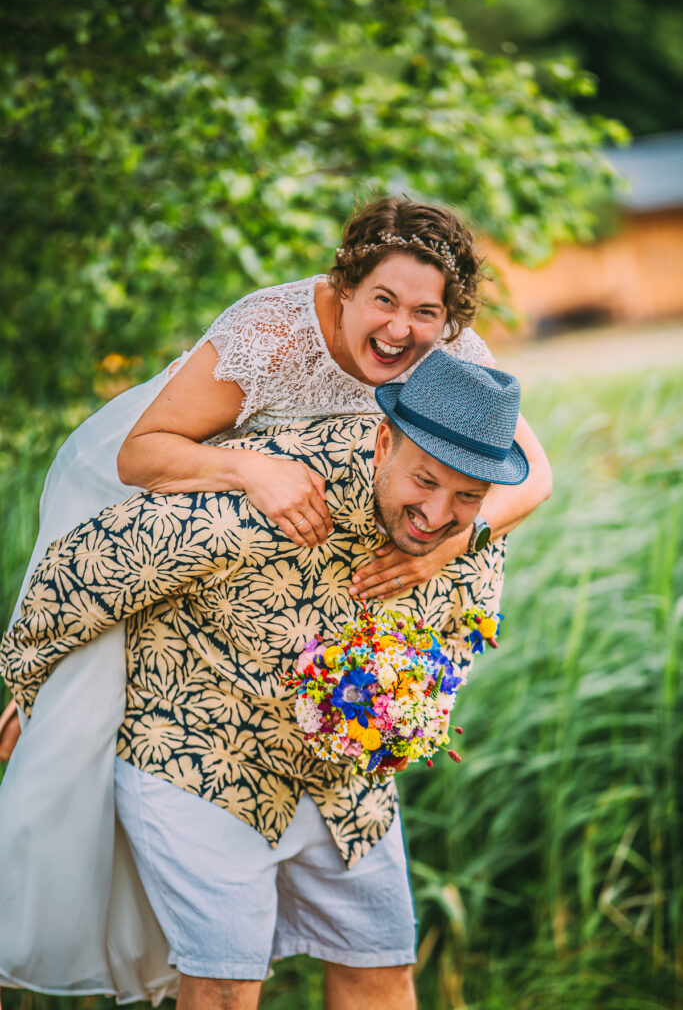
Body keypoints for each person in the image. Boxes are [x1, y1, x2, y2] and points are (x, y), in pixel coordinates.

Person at [1, 352, 530, 1007]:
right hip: (199, 759)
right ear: (385, 441)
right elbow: (79, 572)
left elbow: (462, 632)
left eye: (466, 496)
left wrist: (410, 709)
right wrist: (38, 691)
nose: (436, 513)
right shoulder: (272, 495)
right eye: (424, 481)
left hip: (346, 786)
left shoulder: (467, 534)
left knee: (381, 969)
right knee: (224, 986)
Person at [0, 196, 551, 761]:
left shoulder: (449, 352)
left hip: (246, 542)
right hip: (155, 467)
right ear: (346, 287)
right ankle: (44, 690)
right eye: (383, 300)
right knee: (79, 703)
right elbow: (139, 456)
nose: (399, 329)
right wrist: (251, 469)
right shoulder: (272, 335)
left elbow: (534, 476)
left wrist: (445, 549)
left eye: (425, 312)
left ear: (447, 317)